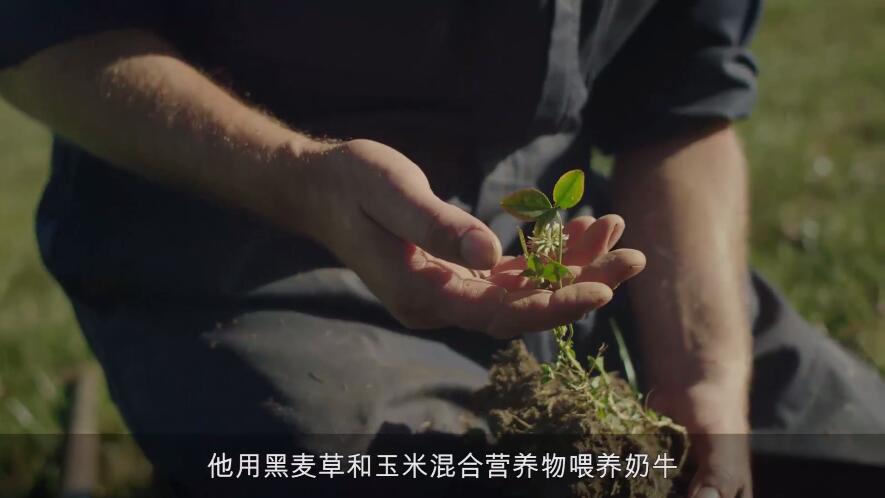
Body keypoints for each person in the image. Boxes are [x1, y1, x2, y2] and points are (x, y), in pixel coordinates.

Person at [2, 1, 884, 497]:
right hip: (246, 231)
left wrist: (704, 376)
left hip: (563, 250)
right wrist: (300, 178)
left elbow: (682, 107)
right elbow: (49, 36)